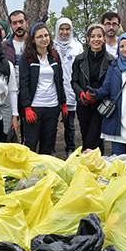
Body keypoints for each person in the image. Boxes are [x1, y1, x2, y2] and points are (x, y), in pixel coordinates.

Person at [19, 23, 66, 155]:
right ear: (33, 39)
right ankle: (29, 173)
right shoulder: (27, 58)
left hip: (52, 106)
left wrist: (63, 103)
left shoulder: (55, 56)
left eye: (46, 35)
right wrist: (27, 107)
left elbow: (59, 81)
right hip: (34, 107)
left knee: (48, 144)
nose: (44, 39)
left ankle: (44, 172)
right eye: (40, 36)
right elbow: (24, 84)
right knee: (31, 144)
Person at [71, 23, 114, 153]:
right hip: (84, 103)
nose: (96, 39)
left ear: (104, 38)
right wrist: (81, 94)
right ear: (88, 39)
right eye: (93, 36)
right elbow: (74, 81)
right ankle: (96, 162)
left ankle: (88, 163)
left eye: (99, 36)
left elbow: (111, 85)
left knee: (92, 139)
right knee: (86, 136)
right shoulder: (79, 59)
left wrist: (98, 95)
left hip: (101, 104)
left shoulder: (111, 60)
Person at [53, 17, 82, 156]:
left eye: (67, 29)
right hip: (53, 90)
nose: (64, 32)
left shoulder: (77, 46)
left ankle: (70, 148)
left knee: (70, 124)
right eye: (62, 29)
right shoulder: (51, 45)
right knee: (52, 124)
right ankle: (50, 148)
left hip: (70, 90)